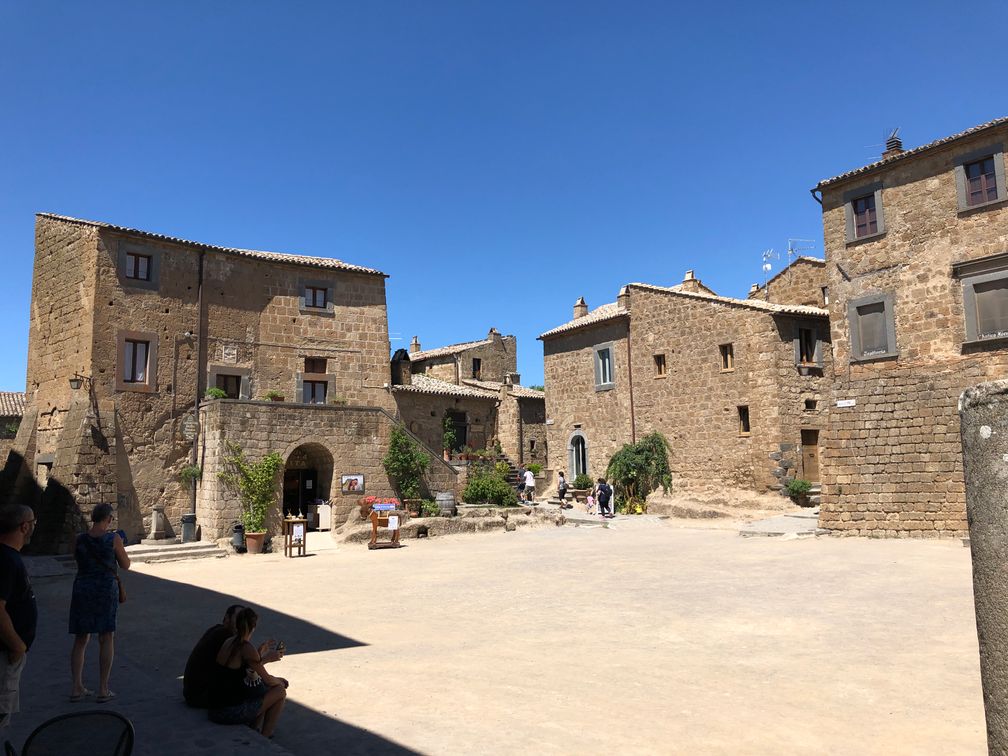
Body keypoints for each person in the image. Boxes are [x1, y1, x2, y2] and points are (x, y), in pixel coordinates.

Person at [69, 503, 130, 703]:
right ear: (109, 518)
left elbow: (77, 560)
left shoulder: (79, 539)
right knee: (106, 637)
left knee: (80, 639)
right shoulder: (113, 539)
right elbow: (125, 565)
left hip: (82, 587)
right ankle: (103, 688)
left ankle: (77, 688)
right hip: (105, 589)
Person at [208, 607, 287, 738]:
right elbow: (267, 679)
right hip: (227, 711)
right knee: (279, 691)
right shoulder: (246, 648)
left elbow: (242, 669)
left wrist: (259, 654)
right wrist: (280, 681)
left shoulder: (229, 641)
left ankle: (254, 728)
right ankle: (265, 737)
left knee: (262, 690)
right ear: (254, 626)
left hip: (214, 707)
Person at [184, 604, 284, 708]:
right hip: (203, 696)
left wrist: (259, 655)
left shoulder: (219, 631)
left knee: (262, 687)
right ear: (226, 618)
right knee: (269, 691)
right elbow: (246, 672)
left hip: (195, 692)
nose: (241, 621)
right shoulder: (227, 638)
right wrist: (267, 659)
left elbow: (238, 670)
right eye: (238, 617)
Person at [0, 505, 38, 729]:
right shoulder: (6, 560)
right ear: (25, 527)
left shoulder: (8, 557)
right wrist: (17, 646)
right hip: (5, 654)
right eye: (34, 521)